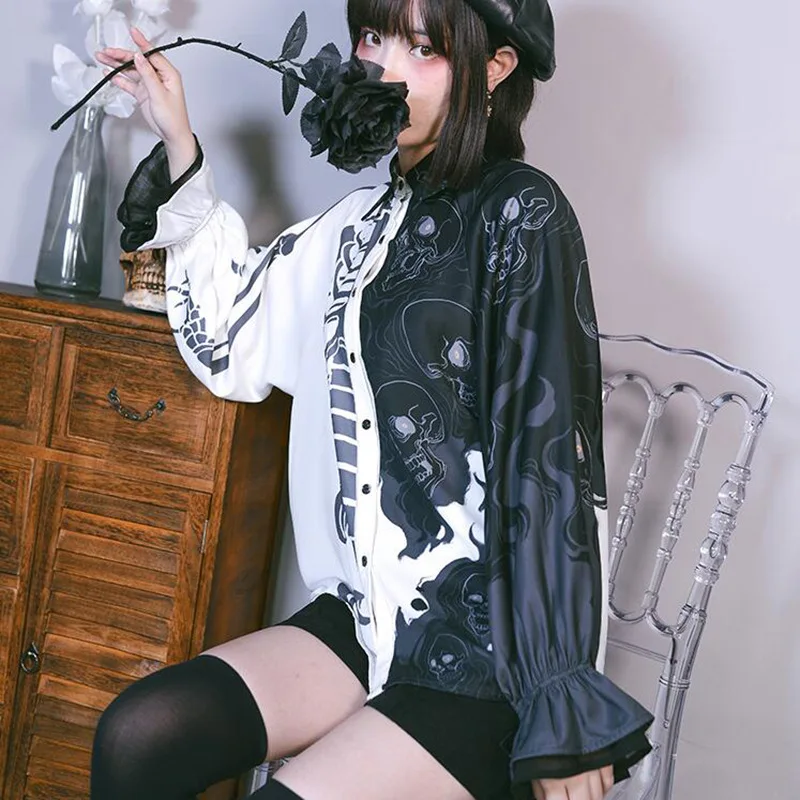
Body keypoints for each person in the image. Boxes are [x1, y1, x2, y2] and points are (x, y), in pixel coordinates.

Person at [92, 1, 654, 798]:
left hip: (486, 653)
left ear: (495, 69)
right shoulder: (358, 226)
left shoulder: (522, 213)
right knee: (139, 734)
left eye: (423, 48)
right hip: (368, 619)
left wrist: (561, 704)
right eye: (373, 37)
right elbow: (236, 339)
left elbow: (548, 468)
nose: (385, 69)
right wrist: (178, 135)